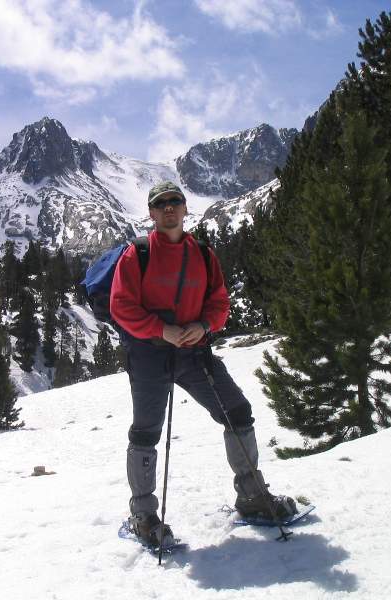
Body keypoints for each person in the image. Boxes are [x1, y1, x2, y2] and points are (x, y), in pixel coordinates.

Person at [110, 181, 297, 547]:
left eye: (174, 202)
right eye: (161, 203)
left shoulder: (203, 253)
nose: (168, 208)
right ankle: (143, 515)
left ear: (184, 208)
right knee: (146, 432)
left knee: (237, 411)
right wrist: (161, 330)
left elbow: (219, 302)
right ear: (151, 212)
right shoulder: (138, 254)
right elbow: (121, 307)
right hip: (150, 354)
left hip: (194, 352)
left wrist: (204, 325)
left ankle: (252, 496)